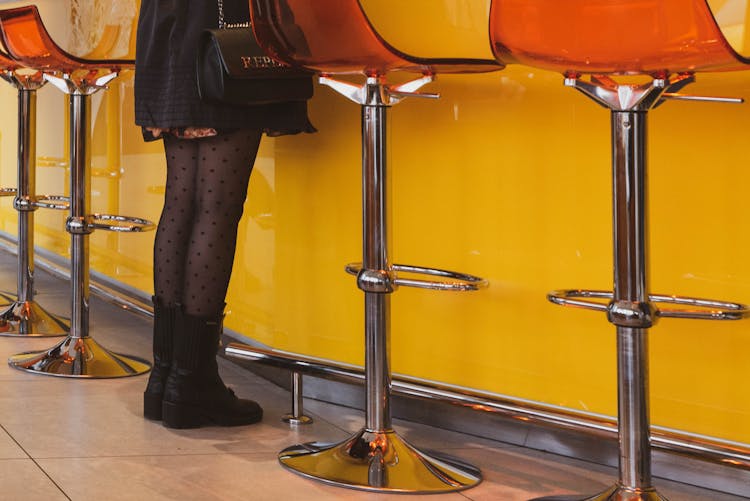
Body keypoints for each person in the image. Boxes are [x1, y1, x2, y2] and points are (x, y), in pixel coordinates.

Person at [134, 0, 315, 429]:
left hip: (169, 28)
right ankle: (191, 380)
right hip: (220, 32)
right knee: (215, 206)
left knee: (182, 199)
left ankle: (167, 375)